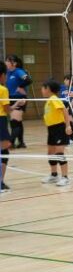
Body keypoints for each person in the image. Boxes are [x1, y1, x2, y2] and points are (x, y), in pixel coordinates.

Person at [38, 79, 72, 187]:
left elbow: (65, 111)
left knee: (59, 153)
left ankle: (65, 177)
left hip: (59, 128)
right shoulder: (49, 100)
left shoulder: (54, 99)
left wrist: (68, 126)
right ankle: (54, 175)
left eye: (43, 88)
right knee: (50, 153)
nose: (41, 90)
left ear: (48, 89)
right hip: (51, 129)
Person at [0, 63, 9, 192]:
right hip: (1, 119)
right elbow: (6, 109)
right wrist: (15, 106)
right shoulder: (3, 89)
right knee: (4, 150)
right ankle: (0, 183)